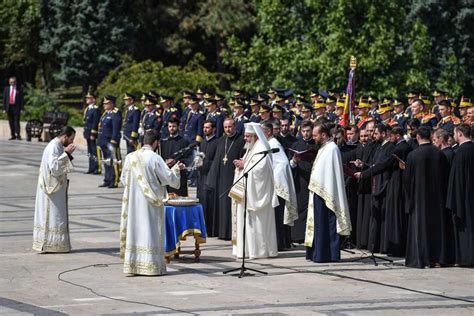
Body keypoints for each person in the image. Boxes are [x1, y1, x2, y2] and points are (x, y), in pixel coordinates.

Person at [119, 129, 184, 275]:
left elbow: (123, 179)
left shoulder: (130, 157)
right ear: (156, 143)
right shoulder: (155, 157)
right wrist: (176, 169)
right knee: (149, 231)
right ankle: (151, 267)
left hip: (134, 204)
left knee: (135, 231)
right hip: (150, 204)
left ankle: (133, 265)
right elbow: (169, 178)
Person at [305, 123, 352, 262]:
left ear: (323, 134)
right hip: (318, 191)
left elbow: (332, 174)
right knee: (318, 225)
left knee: (327, 223)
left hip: (327, 193)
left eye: (315, 135)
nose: (313, 138)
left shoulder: (332, 149)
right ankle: (317, 253)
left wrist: (324, 188)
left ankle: (327, 254)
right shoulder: (323, 148)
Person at [403, 126, 449, 268]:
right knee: (436, 228)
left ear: (417, 137)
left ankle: (420, 258)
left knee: (420, 229)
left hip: (418, 198)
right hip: (437, 198)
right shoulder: (439, 153)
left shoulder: (412, 155)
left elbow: (407, 180)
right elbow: (445, 176)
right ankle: (437, 258)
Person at [231, 122, 279, 259]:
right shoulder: (251, 148)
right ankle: (246, 250)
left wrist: (244, 165)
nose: (245, 139)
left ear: (255, 136)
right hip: (246, 193)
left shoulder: (262, 147)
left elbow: (261, 170)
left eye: (247, 136)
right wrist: (243, 164)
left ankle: (259, 251)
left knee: (257, 226)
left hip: (257, 197)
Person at [33, 126, 76, 253]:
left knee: (56, 215)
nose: (72, 142)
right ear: (65, 136)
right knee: (53, 215)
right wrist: (67, 154)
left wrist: (66, 155)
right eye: (71, 139)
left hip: (54, 188)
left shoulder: (56, 145)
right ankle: (52, 244)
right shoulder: (54, 146)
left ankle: (54, 244)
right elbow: (55, 167)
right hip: (52, 189)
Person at [261, 121, 298, 251]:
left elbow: (282, 165)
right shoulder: (268, 144)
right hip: (273, 185)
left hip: (277, 187)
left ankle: (280, 243)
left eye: (262, 132)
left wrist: (273, 180)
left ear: (269, 132)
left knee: (278, 218)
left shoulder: (273, 145)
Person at [207, 118, 245, 240]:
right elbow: (218, 160)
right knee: (222, 205)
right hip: (221, 178)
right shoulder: (221, 140)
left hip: (234, 176)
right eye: (225, 127)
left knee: (231, 205)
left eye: (230, 127)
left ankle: (231, 233)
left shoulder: (240, 140)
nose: (228, 129)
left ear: (235, 126)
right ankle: (222, 232)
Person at [446, 124, 474, 266]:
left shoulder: (461, 152)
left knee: (465, 229)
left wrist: (452, 200)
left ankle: (466, 258)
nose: (454, 136)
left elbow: (455, 179)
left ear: (460, 134)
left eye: (455, 133)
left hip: (462, 197)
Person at [289, 120, 315, 243]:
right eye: (303, 131)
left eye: (308, 131)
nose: (305, 134)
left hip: (313, 180)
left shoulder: (316, 144)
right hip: (300, 180)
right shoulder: (296, 145)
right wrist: (294, 161)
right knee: (300, 207)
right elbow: (289, 165)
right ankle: (298, 237)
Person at [197, 120, 219, 237]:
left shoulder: (217, 142)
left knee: (210, 204)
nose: (205, 130)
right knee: (202, 203)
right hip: (201, 176)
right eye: (204, 127)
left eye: (208, 128)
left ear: (214, 129)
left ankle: (211, 230)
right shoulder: (203, 142)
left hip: (211, 177)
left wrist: (205, 164)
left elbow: (216, 161)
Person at [160, 117, 190, 196]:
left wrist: (176, 162)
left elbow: (188, 158)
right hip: (167, 174)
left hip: (179, 175)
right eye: (170, 126)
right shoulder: (163, 142)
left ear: (178, 127)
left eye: (173, 126)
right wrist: (166, 162)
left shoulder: (184, 141)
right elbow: (160, 157)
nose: (171, 128)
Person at [97, 95, 123, 188]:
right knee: (106, 161)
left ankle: (114, 180)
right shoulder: (106, 113)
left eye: (106, 103)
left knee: (113, 161)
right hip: (104, 141)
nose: (104, 105)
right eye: (104, 103)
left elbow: (116, 129)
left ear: (112, 103)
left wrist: (113, 140)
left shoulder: (115, 113)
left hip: (110, 142)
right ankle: (107, 179)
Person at [83, 91, 101, 174]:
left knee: (94, 151)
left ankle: (96, 168)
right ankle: (91, 167)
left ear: (93, 100)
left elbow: (95, 122)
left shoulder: (95, 109)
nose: (87, 99)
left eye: (89, 98)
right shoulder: (88, 109)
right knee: (89, 151)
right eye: (87, 98)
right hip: (87, 132)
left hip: (92, 133)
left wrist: (93, 133)